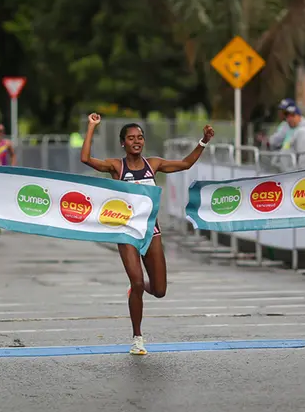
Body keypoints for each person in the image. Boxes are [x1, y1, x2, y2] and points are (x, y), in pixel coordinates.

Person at [81, 113, 214, 356]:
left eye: (140, 137)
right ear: (123, 143)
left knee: (160, 289)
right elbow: (86, 158)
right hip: (127, 231)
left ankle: (137, 289)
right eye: (131, 138)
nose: (137, 141)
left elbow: (185, 164)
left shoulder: (153, 164)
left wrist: (203, 141)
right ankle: (137, 338)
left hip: (151, 230)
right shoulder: (116, 166)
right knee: (138, 281)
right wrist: (92, 127)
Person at [273, 104, 305, 170]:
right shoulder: (292, 130)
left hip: (295, 177)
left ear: (299, 116)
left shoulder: (303, 132)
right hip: (287, 174)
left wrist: (299, 176)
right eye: (287, 116)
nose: (289, 119)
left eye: (292, 115)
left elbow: (304, 160)